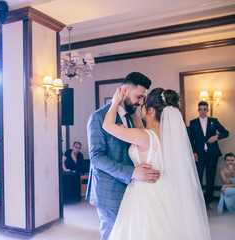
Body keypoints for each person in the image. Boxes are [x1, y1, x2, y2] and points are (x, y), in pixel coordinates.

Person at [104, 87, 210, 239]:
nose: (141, 105)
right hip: (164, 187)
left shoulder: (143, 136)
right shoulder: (168, 136)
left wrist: (115, 101)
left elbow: (107, 126)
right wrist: (133, 112)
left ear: (151, 110)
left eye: (144, 104)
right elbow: (142, 128)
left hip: (144, 191)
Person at [86, 72, 160, 240]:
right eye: (139, 97)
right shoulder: (98, 117)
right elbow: (96, 158)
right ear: (124, 91)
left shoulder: (134, 118)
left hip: (135, 190)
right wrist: (132, 172)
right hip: (110, 191)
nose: (141, 102)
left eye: (143, 98)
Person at [189, 101, 229, 209]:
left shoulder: (213, 121)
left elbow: (226, 132)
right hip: (199, 156)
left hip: (212, 155)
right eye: (200, 109)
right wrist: (193, 152)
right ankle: (198, 201)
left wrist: (216, 137)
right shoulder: (193, 123)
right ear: (198, 110)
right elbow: (191, 139)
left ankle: (207, 202)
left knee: (210, 178)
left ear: (208, 110)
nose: (202, 111)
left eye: (205, 109)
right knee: (198, 178)